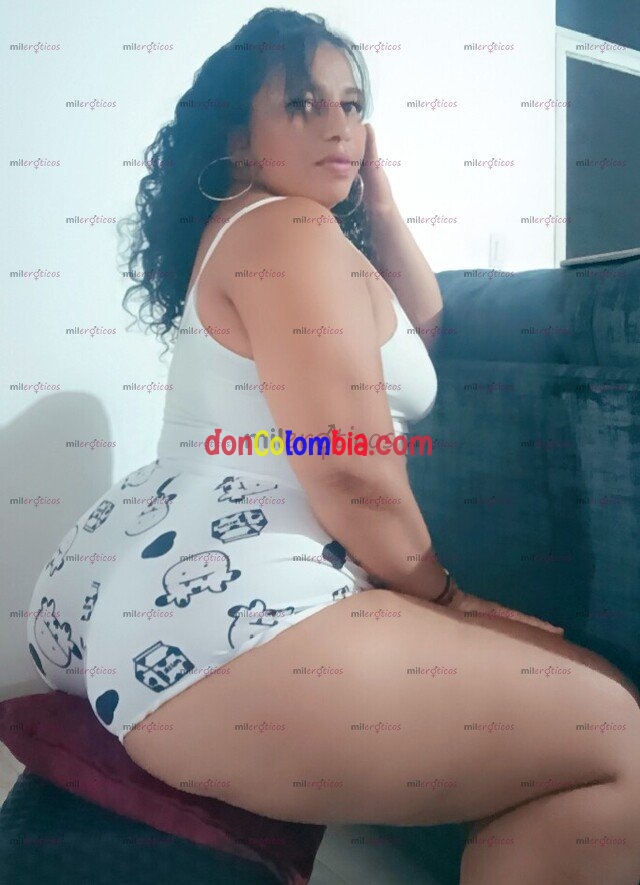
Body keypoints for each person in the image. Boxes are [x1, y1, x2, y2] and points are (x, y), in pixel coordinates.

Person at [26, 9, 640, 883]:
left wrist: (376, 202)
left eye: (352, 106)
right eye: (303, 104)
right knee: (614, 733)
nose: (339, 125)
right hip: (231, 611)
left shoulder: (264, 229)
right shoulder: (286, 231)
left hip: (157, 588)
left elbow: (424, 324)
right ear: (237, 138)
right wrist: (449, 598)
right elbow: (348, 466)